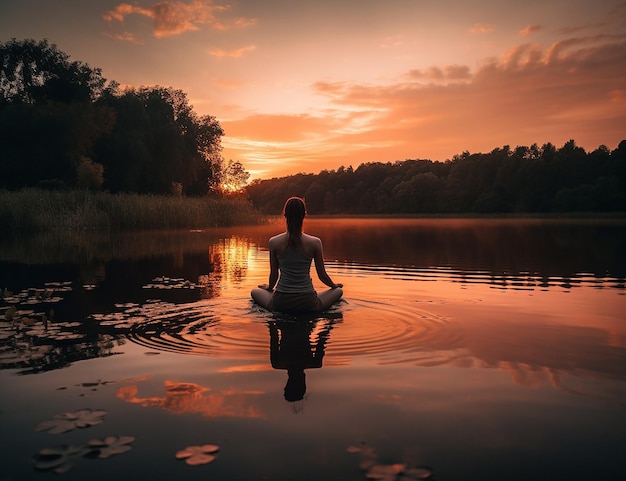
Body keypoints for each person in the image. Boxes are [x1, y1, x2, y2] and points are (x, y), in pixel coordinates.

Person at [251, 196, 343, 312]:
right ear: (304, 215)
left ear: (285, 215)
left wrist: (269, 288)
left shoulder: (274, 242)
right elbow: (322, 276)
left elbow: (274, 275)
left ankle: (276, 296)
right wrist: (334, 286)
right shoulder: (315, 242)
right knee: (338, 291)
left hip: (281, 303)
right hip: (308, 303)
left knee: (255, 291)